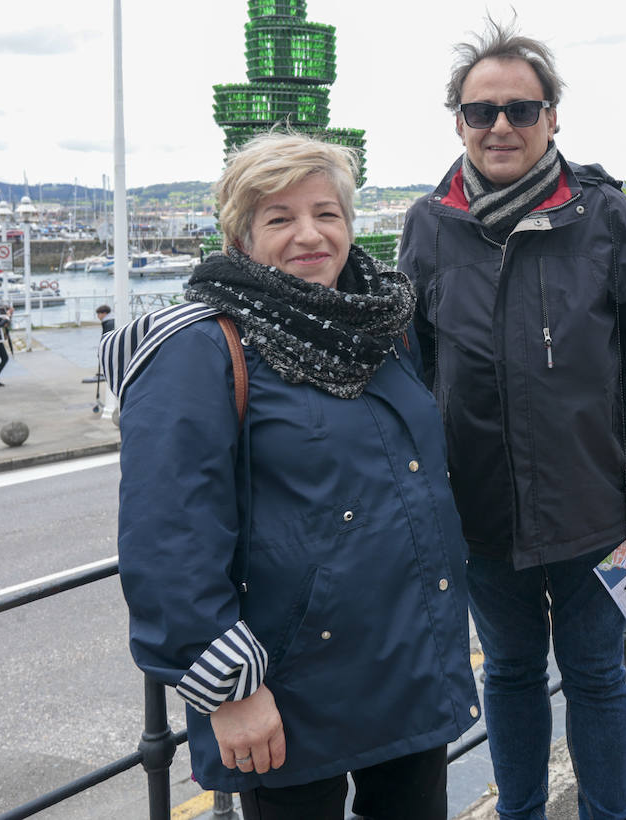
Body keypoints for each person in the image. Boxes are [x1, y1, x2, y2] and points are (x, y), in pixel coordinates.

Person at [107, 132, 478, 820]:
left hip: (407, 658)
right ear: (242, 237)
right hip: (285, 686)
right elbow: (167, 540)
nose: (310, 234)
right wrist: (229, 690)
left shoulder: (380, 326)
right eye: (280, 218)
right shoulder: (200, 347)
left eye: (326, 213)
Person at [398, 18, 626, 820]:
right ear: (457, 120)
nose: (501, 126)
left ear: (553, 118)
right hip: (482, 511)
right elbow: (411, 368)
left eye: (521, 110)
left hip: (594, 503)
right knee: (511, 673)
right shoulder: (428, 227)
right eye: (481, 110)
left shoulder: (603, 216)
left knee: (597, 673)